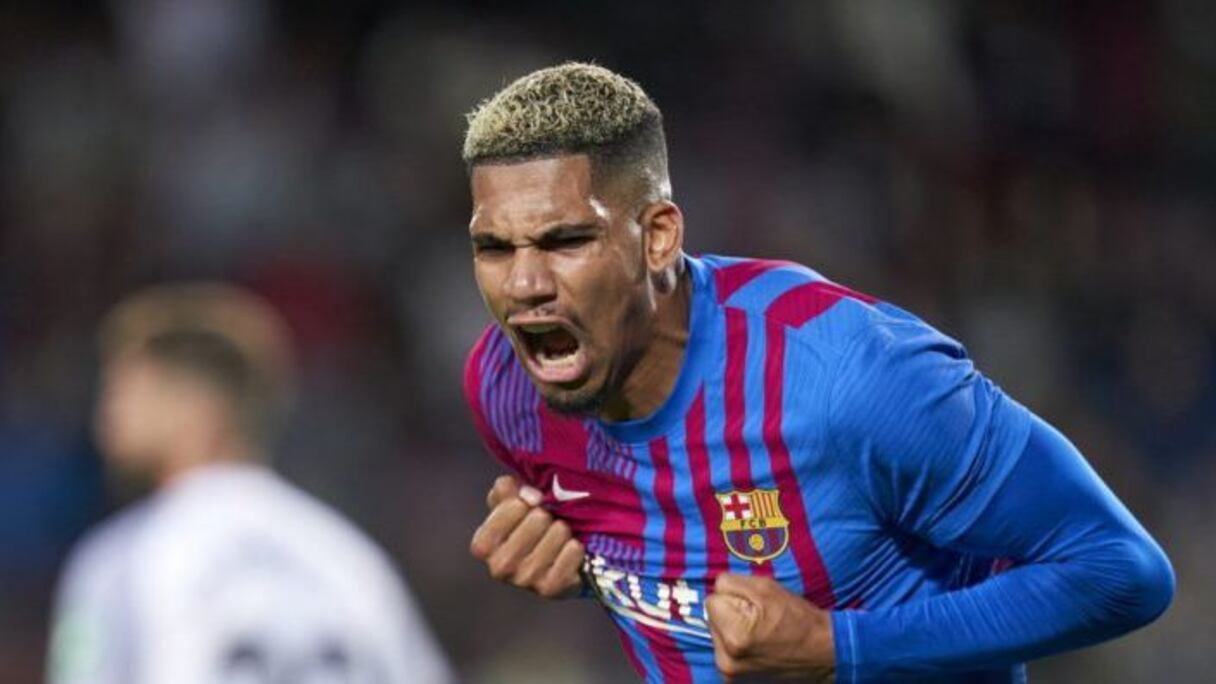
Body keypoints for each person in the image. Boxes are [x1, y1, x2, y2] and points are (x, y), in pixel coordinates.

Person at [461, 63, 1173, 683]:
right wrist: (577, 569)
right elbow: (673, 562)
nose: (524, 285)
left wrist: (840, 648)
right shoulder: (507, 389)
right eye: (494, 248)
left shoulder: (850, 378)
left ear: (658, 237)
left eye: (565, 241)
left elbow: (1120, 570)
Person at [48, 283, 452, 684]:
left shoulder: (125, 558)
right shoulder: (349, 560)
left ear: (196, 407)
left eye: (126, 391)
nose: (108, 414)